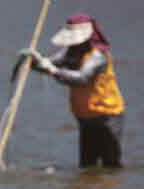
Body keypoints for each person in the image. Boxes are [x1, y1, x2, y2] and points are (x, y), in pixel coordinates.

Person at [28, 13, 125, 168]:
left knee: (110, 165)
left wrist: (53, 70)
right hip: (84, 117)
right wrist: (35, 61)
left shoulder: (98, 56)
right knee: (87, 165)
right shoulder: (71, 52)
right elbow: (50, 64)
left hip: (107, 116)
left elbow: (81, 78)